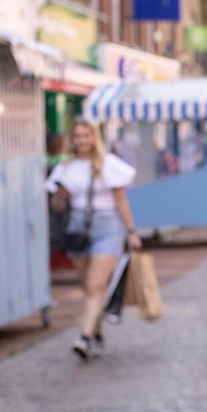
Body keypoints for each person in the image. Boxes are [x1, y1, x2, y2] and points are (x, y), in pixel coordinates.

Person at [45, 118, 142, 359]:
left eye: (86, 135)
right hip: (77, 226)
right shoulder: (66, 167)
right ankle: (97, 334)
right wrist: (60, 194)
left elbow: (121, 201)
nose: (81, 141)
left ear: (94, 137)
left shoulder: (107, 164)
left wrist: (131, 231)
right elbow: (56, 204)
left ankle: (84, 336)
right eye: (77, 136)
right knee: (87, 287)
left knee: (96, 285)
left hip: (107, 225)